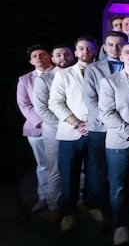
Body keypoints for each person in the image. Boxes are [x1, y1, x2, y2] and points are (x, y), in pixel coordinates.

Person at [98, 41, 129, 246]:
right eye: (127, 52)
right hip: (118, 141)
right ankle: (120, 225)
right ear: (120, 56)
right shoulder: (109, 82)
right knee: (119, 186)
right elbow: (106, 113)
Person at [48, 36, 100, 231]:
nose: (86, 52)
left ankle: (93, 206)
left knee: (95, 173)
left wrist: (94, 123)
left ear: (95, 51)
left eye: (89, 48)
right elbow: (55, 102)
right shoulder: (64, 74)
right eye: (82, 49)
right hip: (71, 131)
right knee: (69, 174)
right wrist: (76, 123)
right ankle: (68, 212)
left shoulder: (104, 72)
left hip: (97, 130)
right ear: (76, 52)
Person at [83, 31, 129, 222]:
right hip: (101, 127)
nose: (115, 48)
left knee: (124, 173)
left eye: (119, 44)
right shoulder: (93, 69)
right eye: (110, 45)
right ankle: (102, 209)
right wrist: (110, 122)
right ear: (104, 47)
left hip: (128, 127)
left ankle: (125, 210)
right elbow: (90, 100)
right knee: (99, 170)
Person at [33, 44, 75, 221]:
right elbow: (41, 109)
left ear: (73, 56)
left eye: (67, 54)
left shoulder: (78, 74)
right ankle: (54, 205)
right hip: (55, 130)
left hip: (78, 129)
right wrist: (65, 124)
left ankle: (79, 201)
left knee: (79, 168)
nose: (63, 58)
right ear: (52, 58)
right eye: (59, 55)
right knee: (55, 169)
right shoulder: (44, 79)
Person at [17, 44, 54, 213]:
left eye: (42, 54)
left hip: (64, 127)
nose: (39, 58)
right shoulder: (25, 80)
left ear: (50, 56)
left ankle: (73, 198)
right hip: (38, 128)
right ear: (31, 61)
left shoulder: (62, 74)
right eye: (35, 56)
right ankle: (44, 197)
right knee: (43, 164)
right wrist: (41, 123)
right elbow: (24, 104)